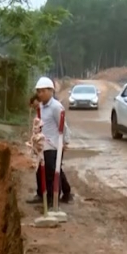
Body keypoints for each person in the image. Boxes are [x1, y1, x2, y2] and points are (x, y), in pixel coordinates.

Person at [27, 77, 72, 206]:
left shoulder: (56, 107)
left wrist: (65, 142)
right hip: (43, 144)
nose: (40, 94)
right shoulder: (40, 107)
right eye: (38, 91)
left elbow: (63, 125)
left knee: (52, 172)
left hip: (54, 145)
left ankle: (52, 198)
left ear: (50, 91)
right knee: (41, 170)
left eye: (42, 91)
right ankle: (42, 194)